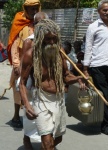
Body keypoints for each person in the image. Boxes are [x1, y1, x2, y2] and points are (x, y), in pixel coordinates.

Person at [19, 19, 85, 150]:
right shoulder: (30, 55)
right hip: (41, 100)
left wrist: (78, 78)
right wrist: (26, 105)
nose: (52, 42)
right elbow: (22, 82)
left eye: (54, 39)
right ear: (39, 38)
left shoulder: (60, 52)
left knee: (57, 139)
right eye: (48, 39)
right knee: (48, 142)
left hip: (59, 100)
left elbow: (66, 76)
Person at [7, 0, 41, 129]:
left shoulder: (41, 23)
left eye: (36, 8)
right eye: (31, 9)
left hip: (38, 65)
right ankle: (16, 116)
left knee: (35, 91)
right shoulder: (20, 23)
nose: (34, 11)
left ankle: (35, 117)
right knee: (18, 91)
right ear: (25, 9)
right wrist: (16, 65)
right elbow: (14, 45)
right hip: (21, 64)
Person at [82, 0, 108, 136]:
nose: (107, 12)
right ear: (99, 11)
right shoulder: (93, 27)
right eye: (104, 10)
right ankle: (106, 125)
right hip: (98, 65)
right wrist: (85, 68)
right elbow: (88, 47)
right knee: (104, 95)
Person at [21, 12, 49, 150]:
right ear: (34, 25)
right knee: (30, 113)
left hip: (46, 85)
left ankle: (46, 142)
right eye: (38, 23)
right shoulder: (29, 41)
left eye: (44, 23)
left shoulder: (52, 40)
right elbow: (24, 66)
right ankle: (26, 139)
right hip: (30, 83)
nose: (41, 26)